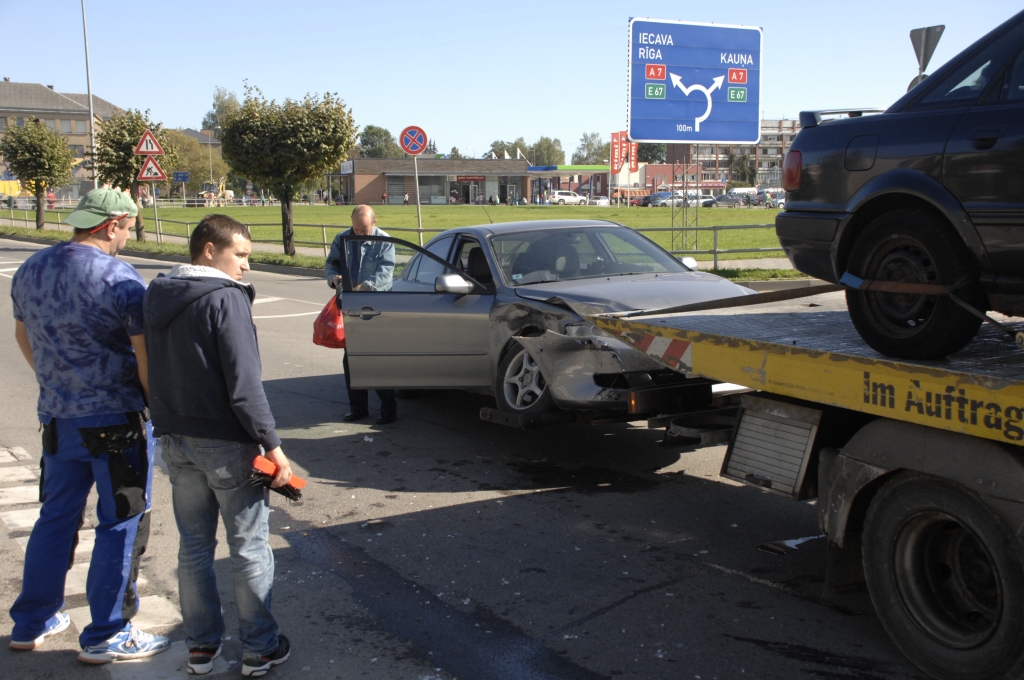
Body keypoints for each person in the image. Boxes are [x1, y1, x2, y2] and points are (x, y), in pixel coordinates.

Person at [8, 188, 169, 663]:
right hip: (115, 418)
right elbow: (144, 356)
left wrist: (58, 383)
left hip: (59, 417)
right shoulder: (118, 276)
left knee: (56, 516)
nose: (128, 237)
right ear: (112, 224)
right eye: (128, 227)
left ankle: (33, 620)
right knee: (120, 521)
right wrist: (157, 408)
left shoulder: (31, 268)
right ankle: (106, 632)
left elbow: (23, 335)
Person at [144, 215, 292, 677]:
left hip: (175, 438)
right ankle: (259, 649)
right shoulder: (225, 298)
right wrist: (272, 445)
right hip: (225, 442)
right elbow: (244, 384)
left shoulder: (157, 293)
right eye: (240, 254)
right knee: (248, 547)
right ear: (209, 250)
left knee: (193, 547)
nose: (246, 266)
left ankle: (201, 647)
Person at [324, 205, 397, 425]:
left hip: (376, 306)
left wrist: (361, 289)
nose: (358, 234)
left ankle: (388, 409)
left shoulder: (384, 241)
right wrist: (334, 278)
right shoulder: (342, 237)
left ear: (374, 223)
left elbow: (385, 275)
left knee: (376, 358)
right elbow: (331, 263)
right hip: (350, 305)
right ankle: (357, 408)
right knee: (352, 358)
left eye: (364, 230)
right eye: (356, 229)